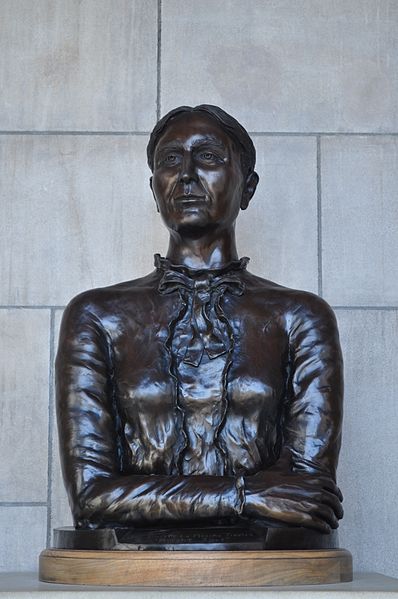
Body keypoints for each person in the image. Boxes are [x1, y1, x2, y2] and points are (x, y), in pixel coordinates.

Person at [56, 105, 344, 547]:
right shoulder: (97, 315)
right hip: (132, 568)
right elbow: (91, 499)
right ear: (155, 190)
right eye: (170, 160)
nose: (186, 174)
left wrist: (149, 496)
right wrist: (244, 495)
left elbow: (306, 498)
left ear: (247, 188)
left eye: (207, 156)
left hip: (267, 571)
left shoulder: (300, 317)